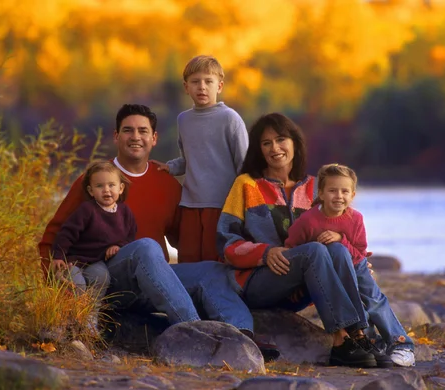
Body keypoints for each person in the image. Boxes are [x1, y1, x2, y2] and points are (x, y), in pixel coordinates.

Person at [39, 104, 255, 346]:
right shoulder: (97, 182)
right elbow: (53, 237)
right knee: (147, 248)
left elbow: (185, 238)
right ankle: (195, 333)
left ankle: (243, 338)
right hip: (108, 280)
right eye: (128, 130)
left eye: (143, 131)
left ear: (154, 139)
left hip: (154, 283)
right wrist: (60, 296)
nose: (135, 137)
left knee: (212, 271)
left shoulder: (167, 184)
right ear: (116, 136)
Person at [217, 112, 388, 368]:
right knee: (315, 251)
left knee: (339, 254)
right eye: (266, 143)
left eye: (281, 139)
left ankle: (363, 337)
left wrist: (358, 261)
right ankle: (342, 339)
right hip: (257, 282)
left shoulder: (313, 189)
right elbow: (226, 244)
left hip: (300, 287)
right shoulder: (246, 185)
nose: (275, 148)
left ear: (295, 143)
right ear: (259, 150)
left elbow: (340, 234)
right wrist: (264, 252)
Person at [284, 163, 415, 367]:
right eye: (332, 190)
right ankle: (371, 342)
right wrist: (295, 286)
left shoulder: (355, 219)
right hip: (328, 274)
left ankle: (401, 345)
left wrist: (340, 239)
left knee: (375, 301)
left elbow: (360, 252)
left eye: (345, 191)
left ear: (352, 195)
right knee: (348, 299)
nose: (339, 196)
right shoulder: (308, 221)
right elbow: (292, 249)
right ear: (321, 193)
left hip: (356, 265)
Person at [155, 55, 249, 263]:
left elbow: (244, 164)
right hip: (190, 203)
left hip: (222, 204)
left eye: (208, 81)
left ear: (220, 86)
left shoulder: (230, 118)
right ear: (186, 87)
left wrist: (244, 203)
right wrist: (170, 168)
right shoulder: (184, 120)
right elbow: (188, 159)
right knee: (188, 260)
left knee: (215, 260)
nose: (202, 87)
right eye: (195, 82)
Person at [50, 160, 136, 332]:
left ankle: (90, 321)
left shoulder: (125, 212)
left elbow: (130, 236)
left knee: (102, 279)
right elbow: (67, 233)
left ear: (120, 188)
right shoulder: (87, 210)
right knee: (78, 286)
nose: (106, 190)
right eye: (99, 186)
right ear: (91, 190)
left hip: (95, 261)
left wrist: (119, 246)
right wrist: (58, 256)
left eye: (111, 185)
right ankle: (70, 322)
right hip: (73, 259)